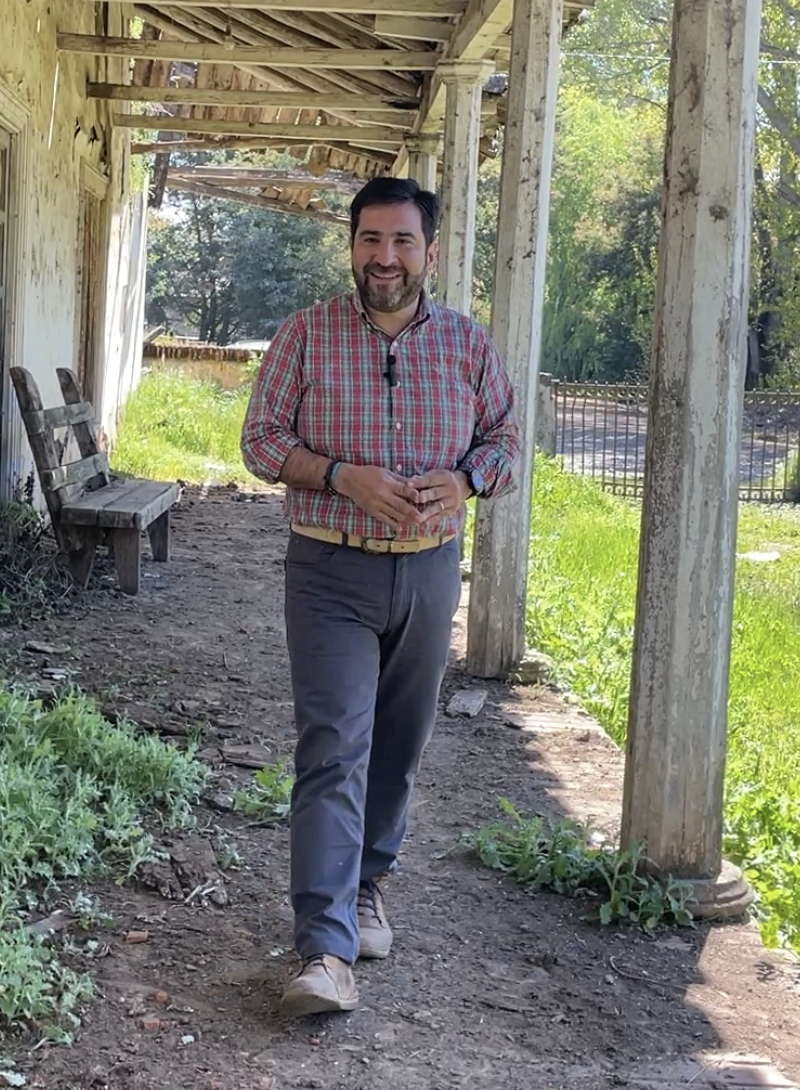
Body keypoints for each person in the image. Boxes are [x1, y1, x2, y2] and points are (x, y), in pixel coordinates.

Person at [240, 175, 519, 1019]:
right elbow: (259, 441)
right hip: (330, 571)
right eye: (370, 240)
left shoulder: (469, 347)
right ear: (352, 246)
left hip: (430, 573)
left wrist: (466, 480)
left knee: (398, 745)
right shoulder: (306, 337)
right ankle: (322, 952)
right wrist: (340, 478)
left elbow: (506, 440)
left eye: (402, 242)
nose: (384, 258)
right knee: (333, 747)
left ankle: (367, 888)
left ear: (430, 252)